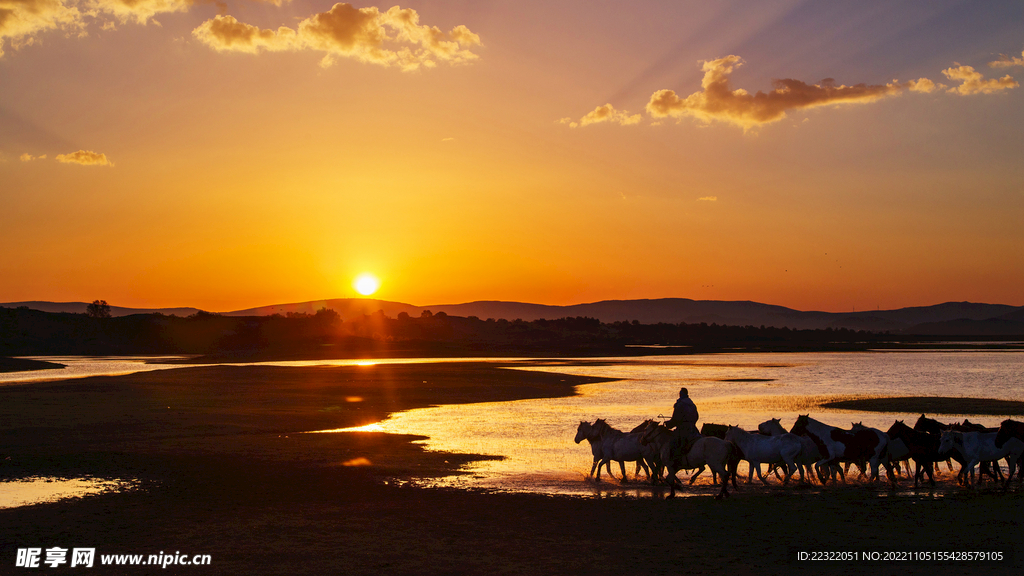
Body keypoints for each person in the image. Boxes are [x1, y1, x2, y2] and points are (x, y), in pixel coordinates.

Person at [664, 387, 700, 453]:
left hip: (682, 429)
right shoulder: (692, 405)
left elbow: (675, 419)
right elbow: (696, 417)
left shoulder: (680, 404)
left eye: (680, 393)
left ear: (681, 394)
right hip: (693, 428)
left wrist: (668, 424)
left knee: (671, 442)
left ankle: (675, 460)